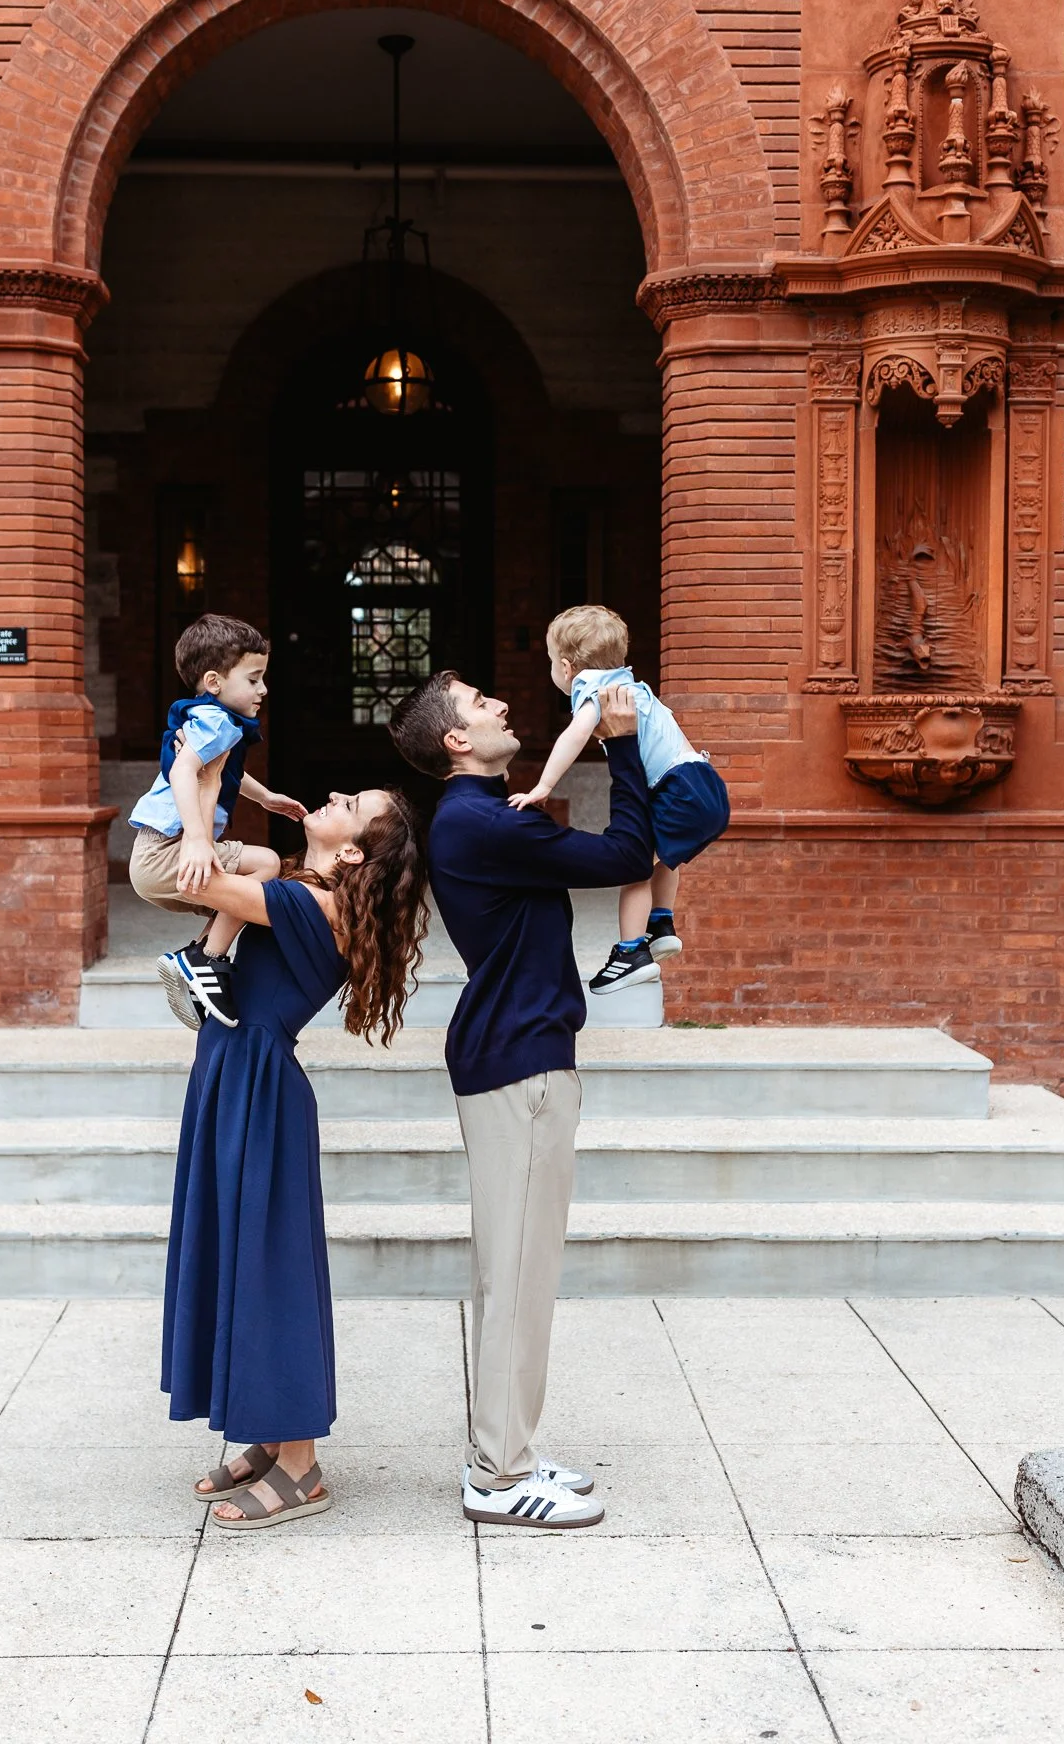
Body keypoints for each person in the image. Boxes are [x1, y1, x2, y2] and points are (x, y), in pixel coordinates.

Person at [389, 668, 652, 1531]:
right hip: (518, 1066)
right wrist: (620, 745)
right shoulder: (477, 821)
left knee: (517, 1270)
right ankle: (498, 1477)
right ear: (456, 742)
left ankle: (508, 1452)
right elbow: (626, 855)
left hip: (516, 1055)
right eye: (478, 704)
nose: (500, 703)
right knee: (517, 1275)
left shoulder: (489, 819)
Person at [164, 786, 427, 1533]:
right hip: (232, 1079)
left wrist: (201, 785)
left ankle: (302, 1465)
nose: (333, 792)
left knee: (270, 1267)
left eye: (352, 802)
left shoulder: (310, 905)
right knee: (236, 1256)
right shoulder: (291, 888)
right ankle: (268, 1434)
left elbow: (181, 876)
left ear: (350, 852)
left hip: (259, 1089)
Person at [509, 605, 730, 994]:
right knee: (662, 854)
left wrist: (544, 785)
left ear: (565, 667)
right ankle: (660, 924)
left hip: (677, 788)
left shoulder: (595, 690)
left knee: (635, 865)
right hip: (705, 785)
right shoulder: (632, 685)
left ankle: (630, 952)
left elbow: (574, 736)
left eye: (549, 663)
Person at [126, 613, 306, 1030]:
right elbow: (183, 771)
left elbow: (224, 772)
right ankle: (206, 959)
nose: (263, 689)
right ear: (214, 682)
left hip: (154, 858)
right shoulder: (216, 720)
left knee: (244, 893)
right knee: (266, 864)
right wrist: (197, 839)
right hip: (165, 851)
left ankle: (201, 959)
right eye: (254, 678)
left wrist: (265, 798)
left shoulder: (211, 720)